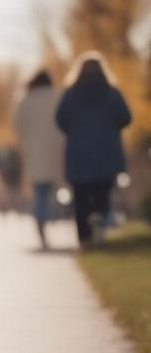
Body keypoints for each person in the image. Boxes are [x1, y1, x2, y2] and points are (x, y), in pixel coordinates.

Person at [56, 52, 131, 247]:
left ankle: (84, 237)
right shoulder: (112, 94)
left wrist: (74, 131)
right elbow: (126, 118)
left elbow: (60, 119)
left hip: (78, 153)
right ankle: (99, 218)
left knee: (80, 197)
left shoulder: (70, 94)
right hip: (106, 152)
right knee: (102, 192)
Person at [15, 69, 64, 248]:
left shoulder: (26, 99)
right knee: (52, 188)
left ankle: (41, 222)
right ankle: (48, 218)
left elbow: (17, 126)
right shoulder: (58, 97)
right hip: (55, 148)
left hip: (34, 149)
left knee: (40, 190)